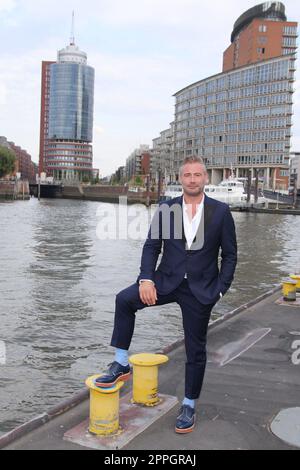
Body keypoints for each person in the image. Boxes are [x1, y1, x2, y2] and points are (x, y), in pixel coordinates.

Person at [96, 156, 237, 434]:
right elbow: (152, 246)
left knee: (195, 349)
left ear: (206, 178)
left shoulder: (220, 212)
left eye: (198, 175)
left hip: (201, 289)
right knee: (124, 300)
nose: (193, 179)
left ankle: (189, 404)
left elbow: (230, 256)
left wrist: (219, 290)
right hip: (166, 280)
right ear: (180, 178)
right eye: (188, 175)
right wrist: (146, 278)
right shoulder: (167, 208)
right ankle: (121, 363)